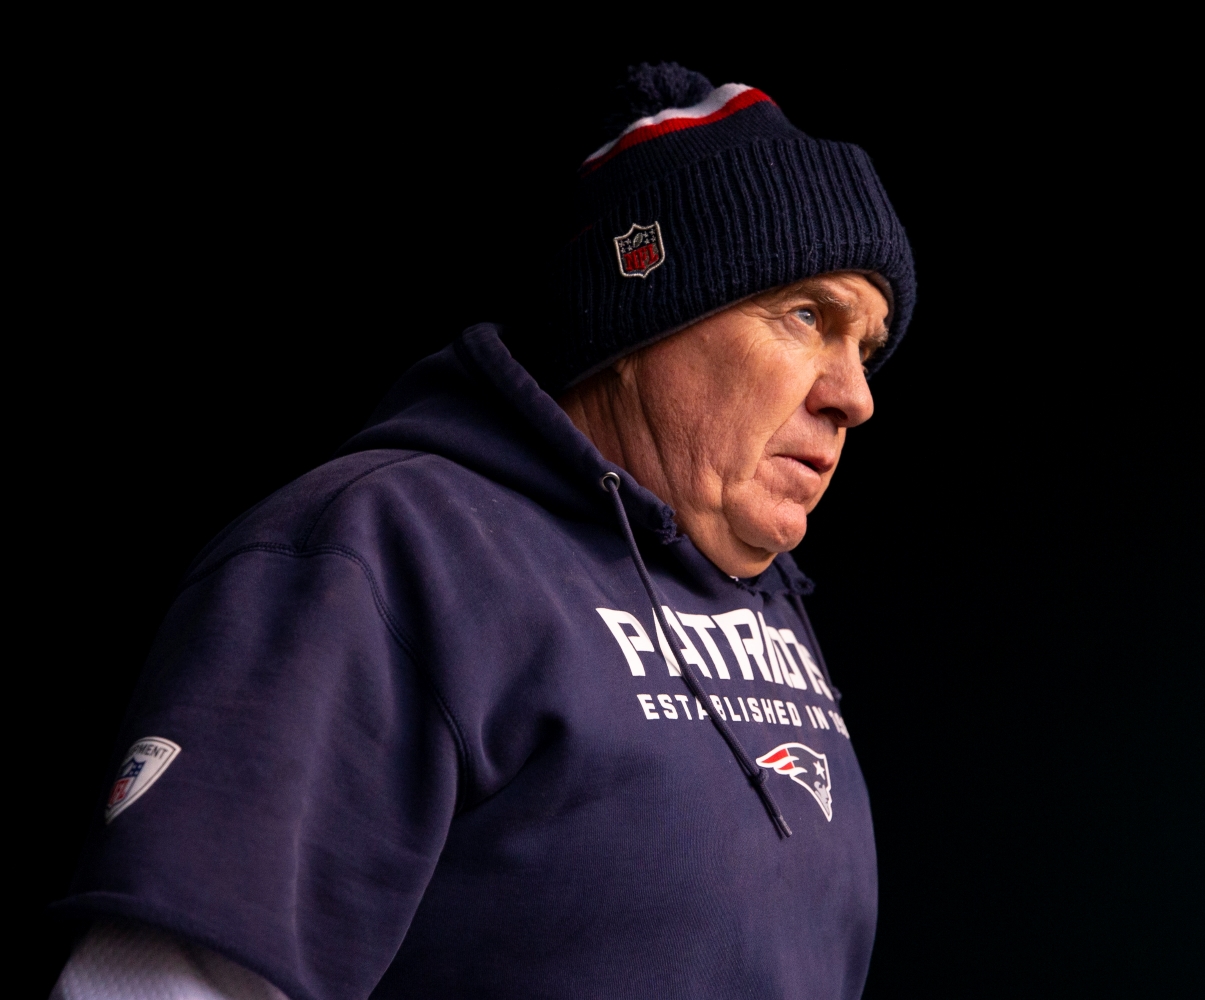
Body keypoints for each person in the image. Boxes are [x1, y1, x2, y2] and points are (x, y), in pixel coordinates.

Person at [52, 62, 915, 1000]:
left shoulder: (768, 598)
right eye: (805, 316)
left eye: (864, 347)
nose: (856, 397)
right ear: (649, 316)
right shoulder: (384, 554)